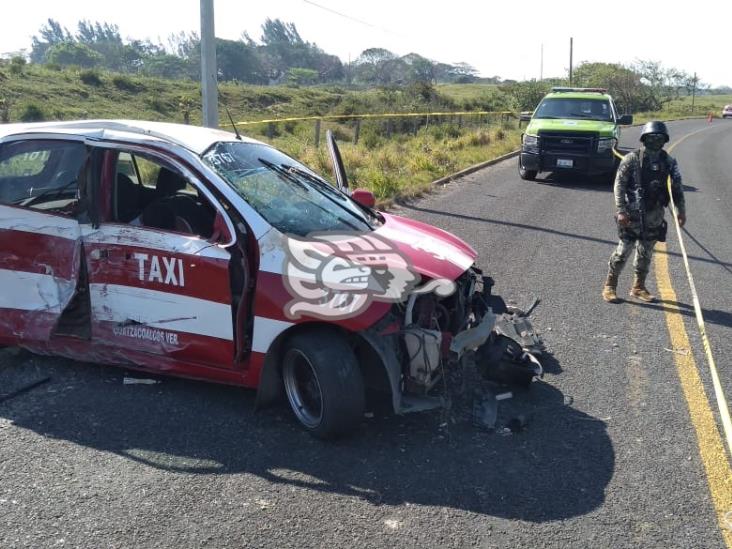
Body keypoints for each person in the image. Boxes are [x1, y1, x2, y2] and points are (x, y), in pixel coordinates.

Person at [602, 121, 686, 303]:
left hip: (654, 216)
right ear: (644, 139)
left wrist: (681, 211)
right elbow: (619, 185)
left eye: (659, 138)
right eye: (651, 138)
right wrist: (621, 210)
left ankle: (638, 287)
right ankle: (610, 285)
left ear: (664, 140)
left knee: (645, 254)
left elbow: (677, 188)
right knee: (622, 252)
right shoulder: (631, 159)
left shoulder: (669, 162)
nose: (655, 141)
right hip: (631, 216)